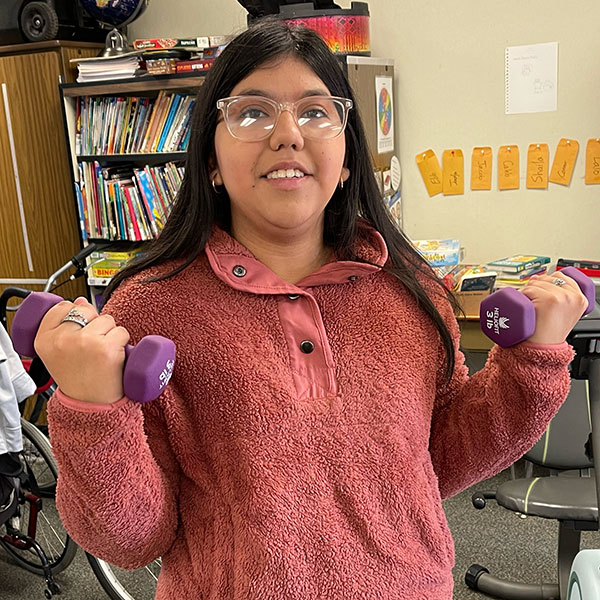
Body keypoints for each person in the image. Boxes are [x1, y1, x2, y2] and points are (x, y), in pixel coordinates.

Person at [34, 18, 588, 600]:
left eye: (316, 112)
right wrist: (92, 411)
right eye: (252, 112)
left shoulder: (407, 289)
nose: (288, 134)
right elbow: (132, 540)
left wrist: (533, 362)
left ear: (347, 157)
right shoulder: (152, 307)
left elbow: (438, 459)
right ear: (212, 162)